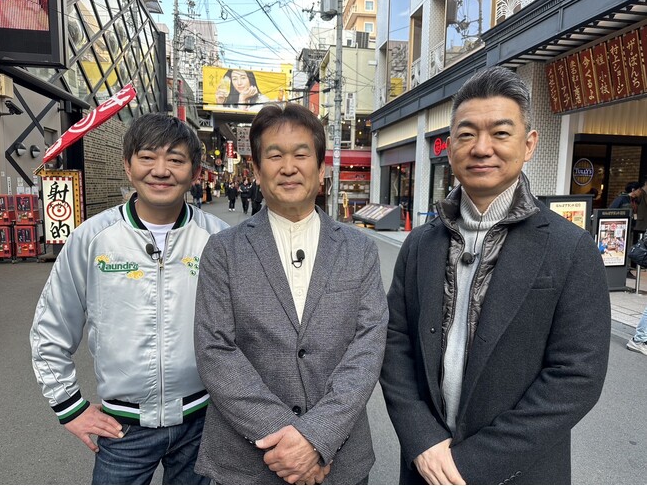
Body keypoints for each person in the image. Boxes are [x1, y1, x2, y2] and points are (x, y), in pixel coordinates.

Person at [379, 66, 610, 485]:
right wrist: (422, 439)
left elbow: (576, 377)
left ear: (529, 143)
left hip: (519, 473)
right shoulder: (420, 244)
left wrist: (472, 464)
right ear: (450, 146)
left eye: (500, 133)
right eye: (467, 134)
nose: (482, 148)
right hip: (426, 468)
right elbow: (395, 345)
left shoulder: (570, 248)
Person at [193, 103, 388, 484]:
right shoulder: (224, 250)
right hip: (248, 461)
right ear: (256, 170)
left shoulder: (359, 249)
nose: (288, 167)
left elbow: (368, 345)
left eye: (301, 154)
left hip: (339, 459)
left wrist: (317, 437)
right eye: (274, 155)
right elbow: (214, 349)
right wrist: (289, 441)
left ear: (320, 168)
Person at [30, 113, 228, 484]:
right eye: (148, 157)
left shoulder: (219, 239)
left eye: (176, 159)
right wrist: (69, 407)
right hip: (122, 427)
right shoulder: (93, 238)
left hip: (202, 423)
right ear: (127, 165)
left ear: (195, 172)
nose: (161, 170)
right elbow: (50, 328)